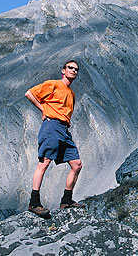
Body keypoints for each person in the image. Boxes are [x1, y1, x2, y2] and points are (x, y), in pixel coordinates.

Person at [25, 59, 84, 218]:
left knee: (77, 164)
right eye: (70, 68)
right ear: (63, 70)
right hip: (51, 127)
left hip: (64, 130)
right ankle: (34, 203)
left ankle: (66, 200)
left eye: (76, 69)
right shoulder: (54, 84)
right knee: (44, 163)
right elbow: (29, 93)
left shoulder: (71, 93)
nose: (73, 71)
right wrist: (43, 109)